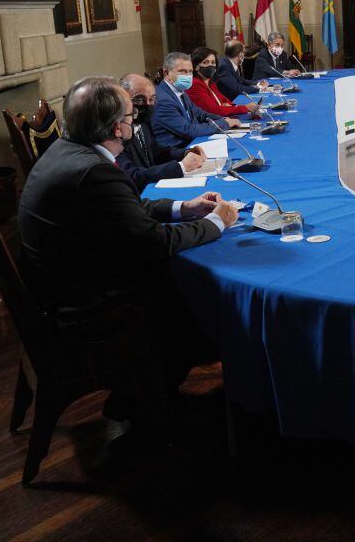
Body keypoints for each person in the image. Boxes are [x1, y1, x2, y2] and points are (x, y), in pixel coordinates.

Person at [17, 76, 238, 421]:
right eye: (130, 117)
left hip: (61, 281)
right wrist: (217, 223)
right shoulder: (94, 171)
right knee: (190, 287)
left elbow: (122, 212)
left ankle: (145, 390)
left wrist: (184, 208)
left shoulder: (71, 152)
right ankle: (165, 393)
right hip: (86, 305)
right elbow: (154, 242)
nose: (135, 123)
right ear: (117, 128)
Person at [118, 73, 206, 191]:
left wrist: (185, 153)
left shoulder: (144, 122)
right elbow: (133, 176)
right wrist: (181, 167)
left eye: (152, 99)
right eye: (140, 99)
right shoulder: (118, 131)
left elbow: (157, 152)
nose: (148, 104)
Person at [152, 52, 240, 147]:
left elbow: (200, 114)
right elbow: (188, 130)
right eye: (183, 71)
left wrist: (223, 119)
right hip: (179, 151)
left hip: (192, 144)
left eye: (190, 71)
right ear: (167, 73)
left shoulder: (180, 91)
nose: (188, 76)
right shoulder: (163, 100)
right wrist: (224, 123)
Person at [186, 47, 260, 119]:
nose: (210, 65)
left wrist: (230, 106)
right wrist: (245, 108)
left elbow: (224, 100)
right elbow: (213, 110)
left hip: (221, 118)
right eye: (205, 62)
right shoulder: (195, 84)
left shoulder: (210, 82)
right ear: (196, 66)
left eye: (213, 62)